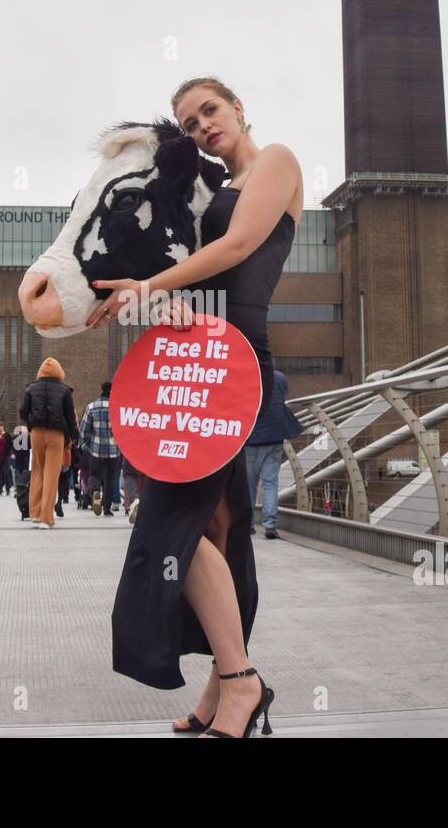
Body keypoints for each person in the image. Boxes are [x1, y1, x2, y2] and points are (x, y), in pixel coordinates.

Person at [90, 77, 297, 738]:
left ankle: (239, 681)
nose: (202, 123)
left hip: (237, 363)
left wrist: (150, 283)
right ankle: (222, 686)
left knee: (168, 515)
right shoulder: (210, 192)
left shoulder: (279, 162)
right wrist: (163, 303)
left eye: (210, 109)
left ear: (238, 107)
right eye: (189, 120)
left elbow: (237, 251)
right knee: (218, 531)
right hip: (202, 355)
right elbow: (207, 271)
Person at [19, 357, 79, 529]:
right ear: (59, 372)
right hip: (56, 434)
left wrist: (31, 424)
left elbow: (24, 411)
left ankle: (35, 513)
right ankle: (46, 518)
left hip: (36, 432)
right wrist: (73, 437)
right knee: (52, 474)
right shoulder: (64, 391)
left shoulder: (30, 388)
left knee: (37, 470)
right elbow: (70, 417)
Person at [244, 369, 303, 540]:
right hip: (274, 436)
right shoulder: (279, 377)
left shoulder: (248, 376)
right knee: (270, 483)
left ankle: (248, 525)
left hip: (251, 438)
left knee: (249, 485)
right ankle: (270, 525)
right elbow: (281, 397)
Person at [78, 381, 121, 516]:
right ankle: (107, 508)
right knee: (110, 478)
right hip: (114, 450)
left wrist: (85, 445)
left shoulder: (91, 407)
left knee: (94, 475)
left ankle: (94, 492)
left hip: (96, 449)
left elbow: (84, 430)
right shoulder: (118, 407)